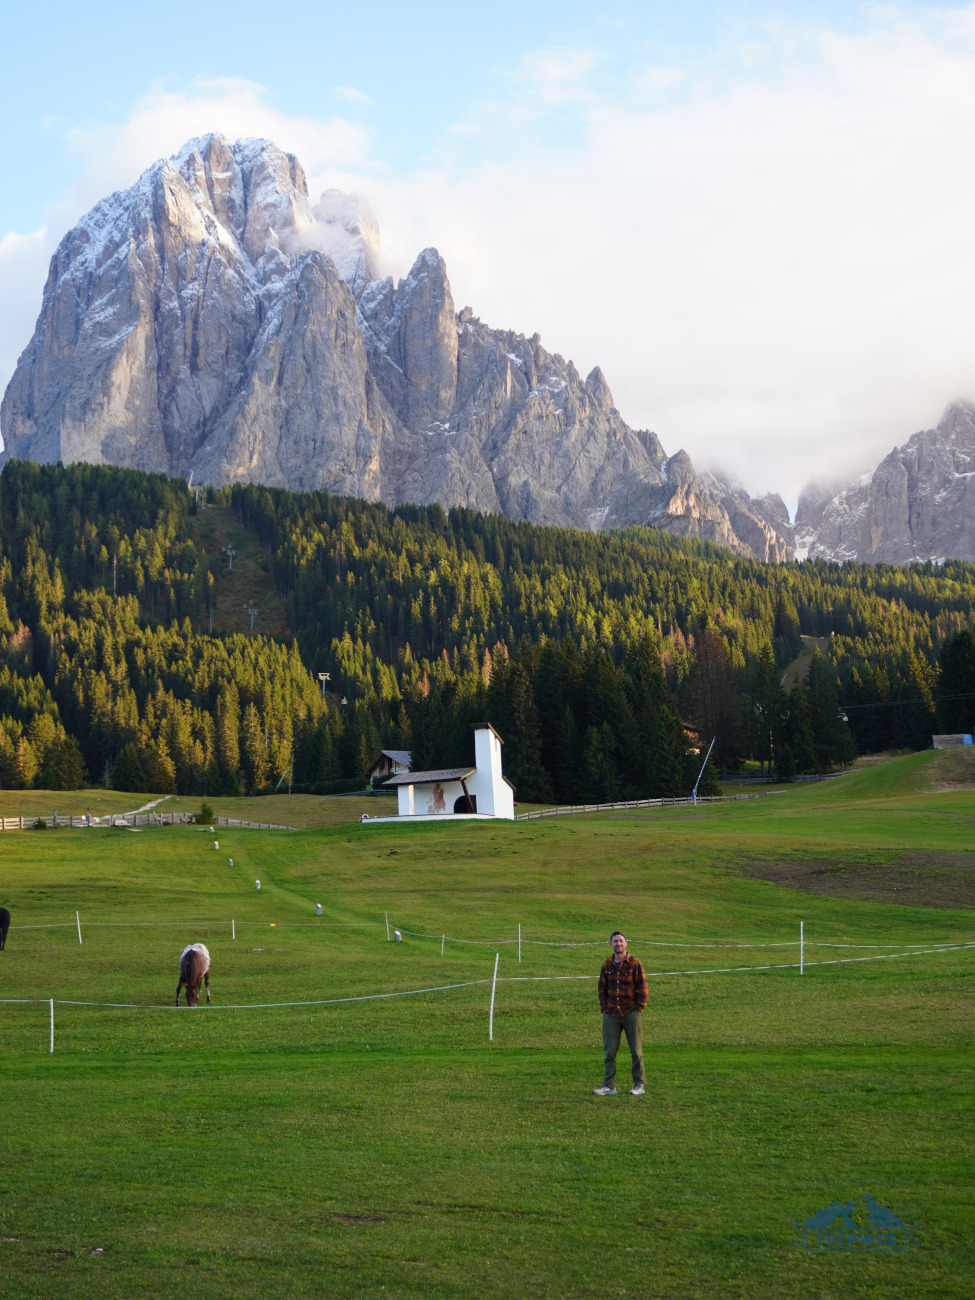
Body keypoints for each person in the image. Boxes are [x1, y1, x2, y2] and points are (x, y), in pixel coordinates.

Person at [593, 930, 647, 1096]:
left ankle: (639, 1085)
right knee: (609, 1052)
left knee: (636, 1051)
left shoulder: (635, 964)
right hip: (611, 1015)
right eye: (615, 941)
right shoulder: (606, 965)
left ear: (626, 943)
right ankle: (609, 1086)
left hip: (631, 1013)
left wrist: (639, 1007)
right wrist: (604, 1008)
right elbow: (602, 988)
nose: (619, 944)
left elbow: (642, 987)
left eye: (621, 941)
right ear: (611, 944)